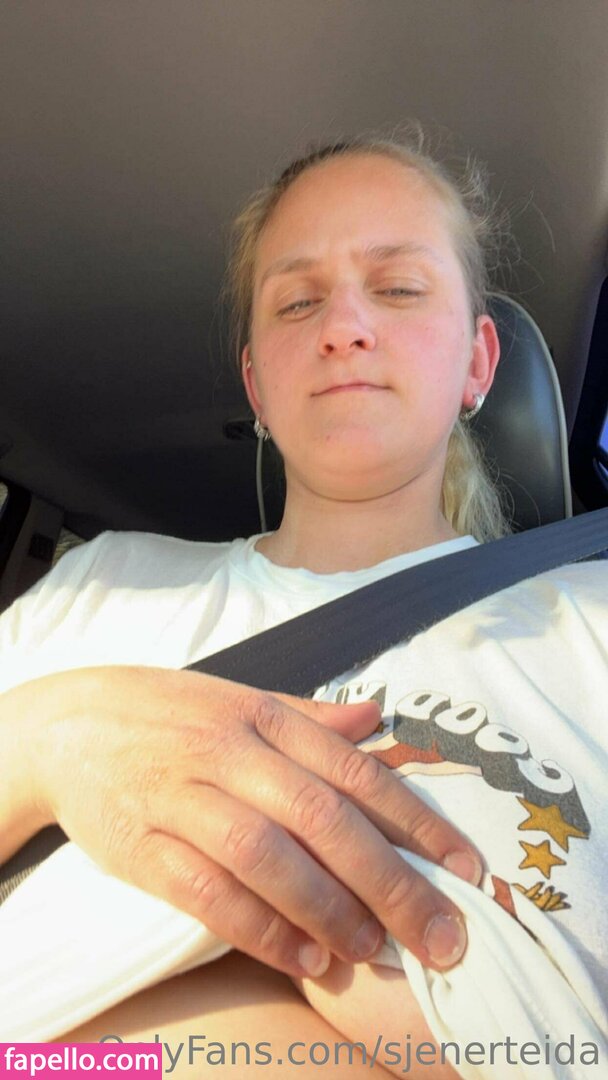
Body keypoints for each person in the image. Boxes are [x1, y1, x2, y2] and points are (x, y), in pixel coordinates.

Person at [1, 129, 606, 1077]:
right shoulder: (101, 583)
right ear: (257, 384)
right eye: (297, 301)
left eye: (397, 288)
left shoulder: (591, 614)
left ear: (479, 363)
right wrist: (43, 739)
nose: (344, 326)